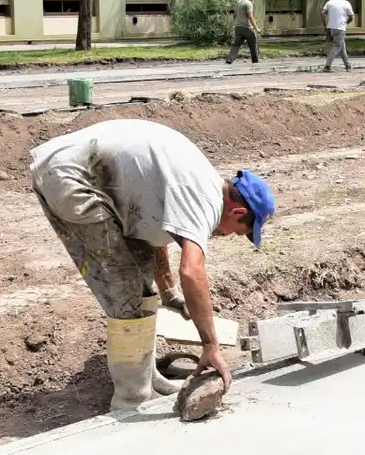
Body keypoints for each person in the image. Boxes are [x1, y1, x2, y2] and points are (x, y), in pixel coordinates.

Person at [29, 120, 276, 412]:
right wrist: (211, 344)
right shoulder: (205, 200)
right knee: (126, 290)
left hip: (84, 172)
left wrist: (169, 292)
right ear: (238, 211)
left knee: (141, 261)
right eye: (237, 230)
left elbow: (153, 228)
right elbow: (192, 271)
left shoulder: (197, 186)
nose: (227, 235)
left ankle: (147, 379)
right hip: (72, 178)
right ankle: (131, 399)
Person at [322, 0, 355, 72]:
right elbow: (351, 17)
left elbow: (322, 13)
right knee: (337, 46)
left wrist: (325, 25)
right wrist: (346, 23)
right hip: (340, 28)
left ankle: (348, 66)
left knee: (342, 46)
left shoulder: (330, 2)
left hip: (331, 27)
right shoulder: (346, 3)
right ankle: (327, 66)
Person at [226, 0, 261, 64]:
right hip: (246, 27)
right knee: (253, 44)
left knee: (236, 45)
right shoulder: (248, 3)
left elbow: (235, 15)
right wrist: (256, 28)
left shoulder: (239, 1)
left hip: (238, 28)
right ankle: (255, 61)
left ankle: (229, 59)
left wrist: (236, 24)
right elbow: (250, 16)